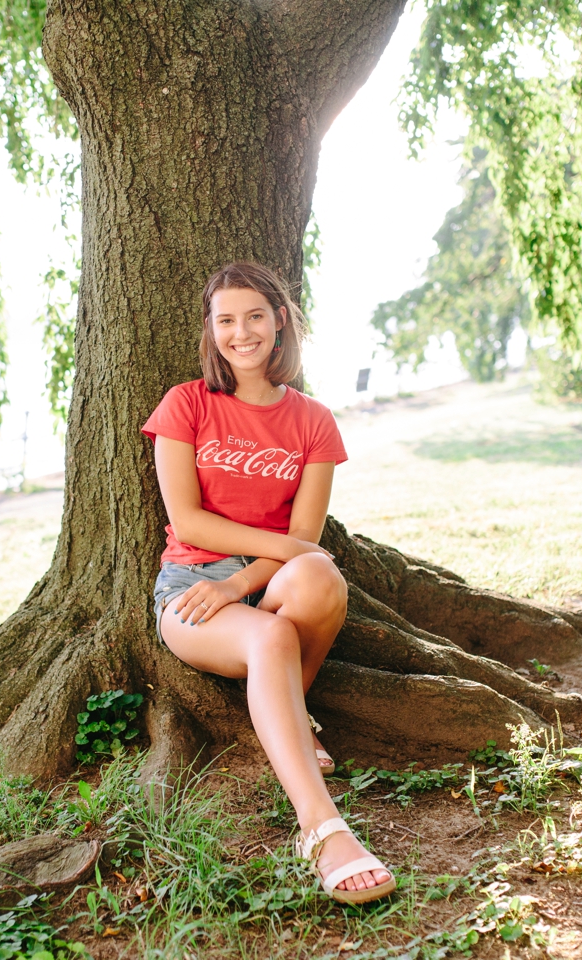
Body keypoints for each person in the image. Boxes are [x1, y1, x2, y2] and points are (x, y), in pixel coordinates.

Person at [140, 261, 396, 904]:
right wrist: (257, 565)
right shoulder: (187, 403)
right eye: (225, 319)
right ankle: (322, 827)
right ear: (211, 329)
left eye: (255, 316)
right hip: (191, 586)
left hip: (265, 579)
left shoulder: (312, 420)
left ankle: (285, 716)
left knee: (320, 577)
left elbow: (305, 543)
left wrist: (253, 577)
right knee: (274, 634)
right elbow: (188, 519)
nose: (241, 332)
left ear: (280, 321)